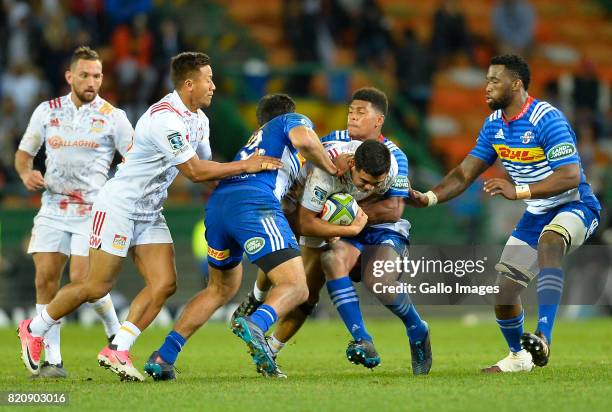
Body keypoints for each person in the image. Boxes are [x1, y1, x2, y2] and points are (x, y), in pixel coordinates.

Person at [17, 52, 283, 382]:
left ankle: (118, 349)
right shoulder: (164, 118)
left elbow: (212, 169)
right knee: (95, 285)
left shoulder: (200, 120)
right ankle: (34, 327)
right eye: (208, 79)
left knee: (165, 283)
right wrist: (247, 164)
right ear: (189, 84)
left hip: (150, 210)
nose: (214, 86)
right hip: (119, 205)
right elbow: (195, 171)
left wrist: (252, 181)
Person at [410, 54, 600, 372]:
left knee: (551, 240)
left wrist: (519, 191)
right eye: (486, 79)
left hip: (574, 204)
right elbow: (464, 173)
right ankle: (518, 357)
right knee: (504, 291)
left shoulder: (546, 118)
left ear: (516, 84)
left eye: (494, 80)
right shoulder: (494, 125)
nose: (486, 87)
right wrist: (428, 197)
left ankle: (544, 336)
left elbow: (570, 175)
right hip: (536, 213)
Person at [143, 93, 342, 380]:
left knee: (220, 289)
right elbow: (306, 140)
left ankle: (164, 356)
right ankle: (257, 324)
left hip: (219, 206)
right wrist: (333, 169)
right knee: (298, 287)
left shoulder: (256, 141)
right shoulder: (289, 121)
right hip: (253, 203)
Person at [235, 87, 432, 376]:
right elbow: (307, 178)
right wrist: (324, 179)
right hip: (343, 230)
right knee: (320, 270)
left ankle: (417, 327)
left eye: (361, 112)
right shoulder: (330, 147)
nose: (352, 115)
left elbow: (392, 210)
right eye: (351, 110)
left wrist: (347, 215)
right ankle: (360, 339)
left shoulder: (394, 157)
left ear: (379, 120)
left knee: (379, 280)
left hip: (381, 229)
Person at [14, 46, 132, 378]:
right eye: (84, 75)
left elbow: (134, 158)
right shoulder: (47, 111)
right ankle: (53, 360)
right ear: (70, 76)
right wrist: (26, 173)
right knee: (45, 279)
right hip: (52, 208)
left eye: (97, 76)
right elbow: (24, 154)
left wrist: (121, 187)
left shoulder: (114, 117)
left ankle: (114, 333)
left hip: (92, 211)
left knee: (84, 282)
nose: (91, 81)